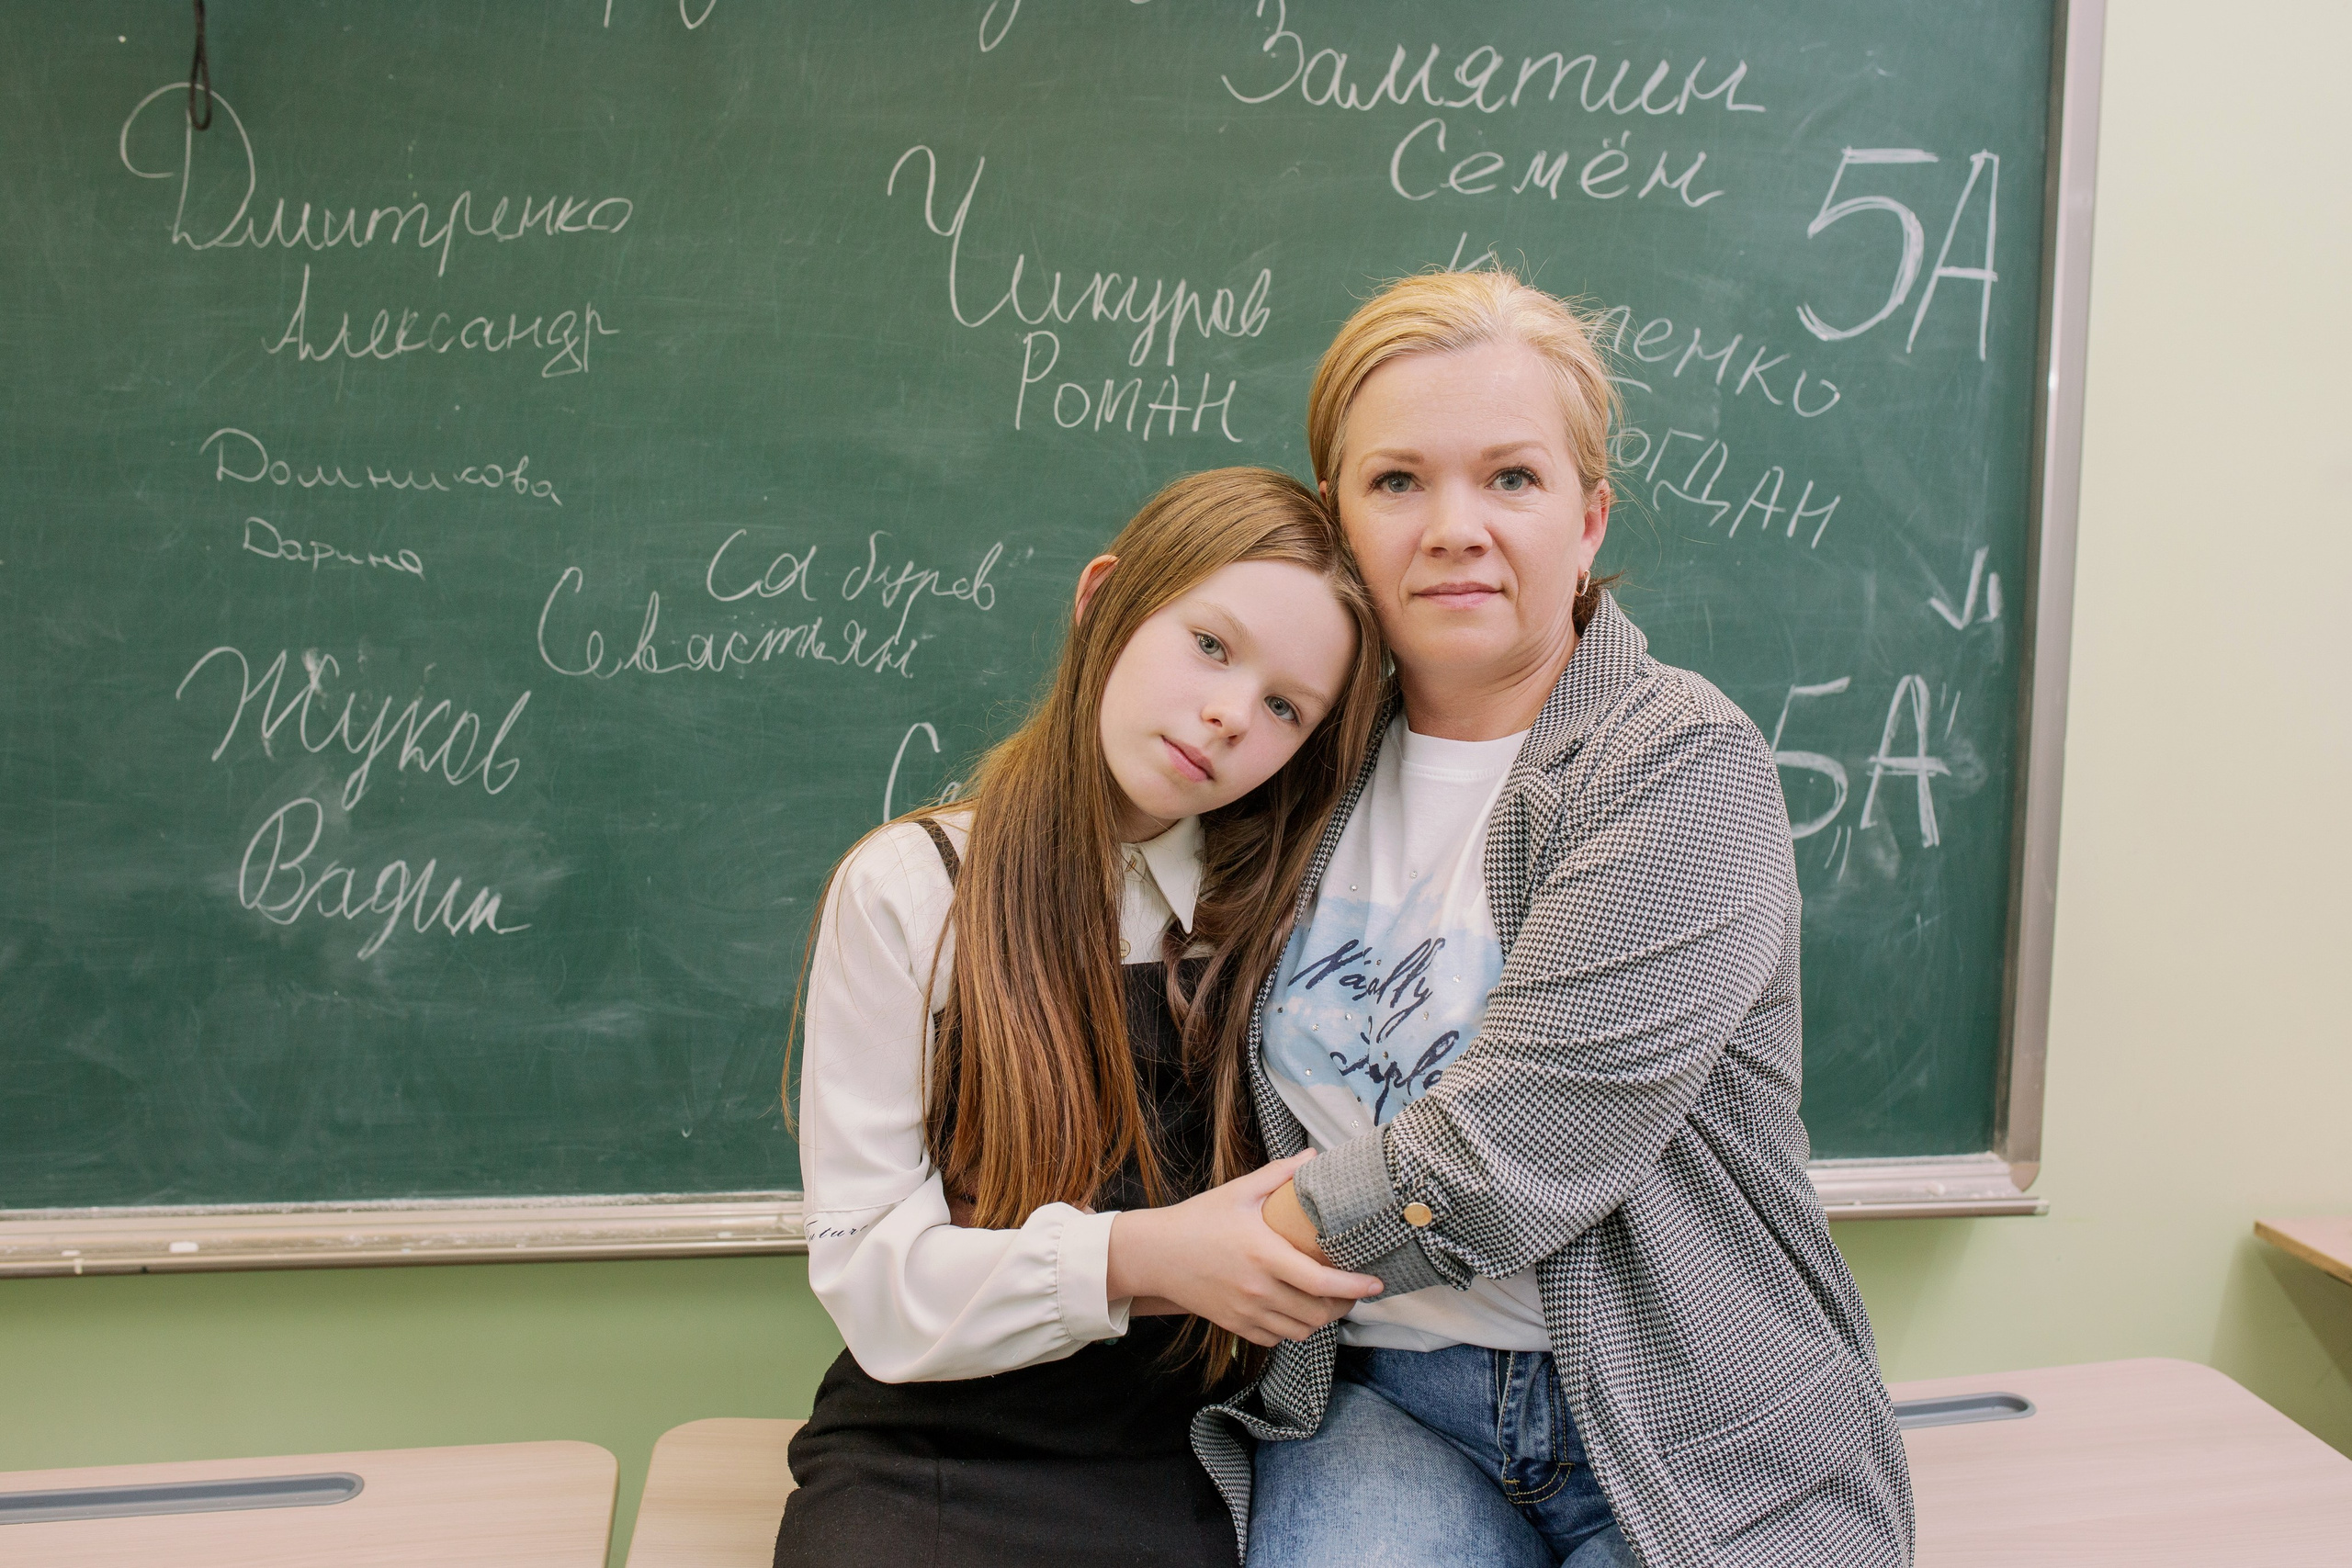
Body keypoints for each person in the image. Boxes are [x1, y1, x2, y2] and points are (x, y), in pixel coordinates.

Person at [1193, 274, 1916, 1568]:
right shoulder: (1287, 763)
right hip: (1377, 1404)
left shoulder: (1679, 762)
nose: (1455, 526)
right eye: (1397, 481)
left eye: (1511, 479)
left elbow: (1504, 1150)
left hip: (1692, 1413)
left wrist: (1185, 1255)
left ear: (1587, 521)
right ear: (1335, 523)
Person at [777, 468, 1390, 1568]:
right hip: (928, 1453)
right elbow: (876, 1285)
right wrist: (1143, 1256)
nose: (1228, 715)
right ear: (1103, 597)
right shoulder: (912, 893)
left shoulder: (1283, 921)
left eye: (1286, 708)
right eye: (1211, 645)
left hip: (1182, 1454)